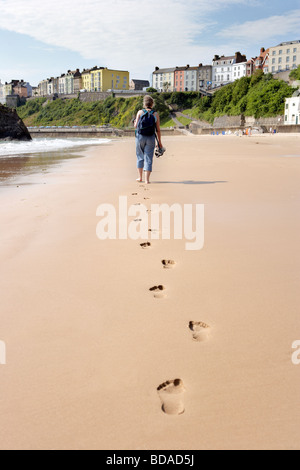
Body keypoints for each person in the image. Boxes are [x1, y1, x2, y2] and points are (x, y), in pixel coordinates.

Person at [134, 95, 163, 184]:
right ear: (152, 103)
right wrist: (159, 142)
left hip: (140, 137)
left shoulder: (140, 112)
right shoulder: (155, 114)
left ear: (144, 103)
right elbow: (158, 130)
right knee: (148, 158)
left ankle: (140, 177)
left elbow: (135, 126)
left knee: (140, 156)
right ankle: (147, 180)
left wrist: (135, 122)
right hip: (151, 137)